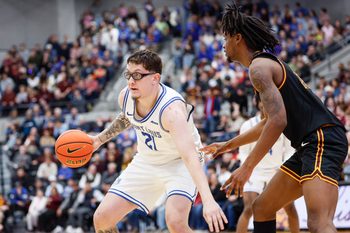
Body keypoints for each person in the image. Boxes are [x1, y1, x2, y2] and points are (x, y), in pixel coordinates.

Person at [201, 2, 348, 233]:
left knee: (319, 222)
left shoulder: (258, 68)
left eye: (225, 37)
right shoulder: (264, 65)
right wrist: (226, 146)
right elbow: (269, 121)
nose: (223, 44)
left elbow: (278, 122)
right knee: (262, 208)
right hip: (309, 144)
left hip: (322, 140)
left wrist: (247, 167)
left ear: (238, 38)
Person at [90, 49, 227, 233]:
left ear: (155, 78)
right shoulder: (125, 96)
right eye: (128, 74)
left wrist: (209, 201)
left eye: (137, 75)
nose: (131, 81)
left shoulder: (172, 111)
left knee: (175, 222)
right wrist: (99, 140)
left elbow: (189, 156)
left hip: (180, 164)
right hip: (146, 161)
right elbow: (127, 117)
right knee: (102, 219)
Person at [236, 99, 299, 233]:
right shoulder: (248, 125)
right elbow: (242, 153)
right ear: (258, 104)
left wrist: (284, 168)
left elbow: (289, 150)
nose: (265, 105)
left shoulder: (282, 123)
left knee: (290, 208)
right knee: (248, 208)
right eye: (262, 101)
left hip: (277, 170)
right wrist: (246, 169)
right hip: (254, 171)